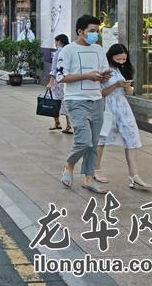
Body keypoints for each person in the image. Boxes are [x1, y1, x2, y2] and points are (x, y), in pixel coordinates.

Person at [57, 15, 111, 194]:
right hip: (76, 100)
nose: (96, 34)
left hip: (97, 100)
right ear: (80, 31)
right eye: (92, 31)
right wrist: (87, 76)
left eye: (97, 31)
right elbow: (61, 77)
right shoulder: (68, 50)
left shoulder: (99, 49)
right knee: (83, 140)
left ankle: (89, 179)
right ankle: (69, 165)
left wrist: (104, 76)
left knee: (93, 143)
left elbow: (103, 72)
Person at [94, 44, 151, 190]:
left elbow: (130, 92)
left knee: (131, 137)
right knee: (102, 138)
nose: (121, 61)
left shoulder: (125, 68)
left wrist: (126, 87)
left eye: (124, 59)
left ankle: (134, 175)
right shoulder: (104, 70)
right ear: (111, 56)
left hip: (123, 107)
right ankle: (96, 169)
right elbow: (100, 93)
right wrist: (116, 85)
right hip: (106, 107)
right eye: (118, 59)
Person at [46, 34, 73, 134]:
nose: (55, 43)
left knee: (54, 101)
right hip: (68, 80)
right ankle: (68, 125)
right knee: (66, 102)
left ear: (59, 41)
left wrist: (50, 82)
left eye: (55, 41)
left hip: (58, 81)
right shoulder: (70, 50)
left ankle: (57, 122)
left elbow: (54, 69)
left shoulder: (58, 52)